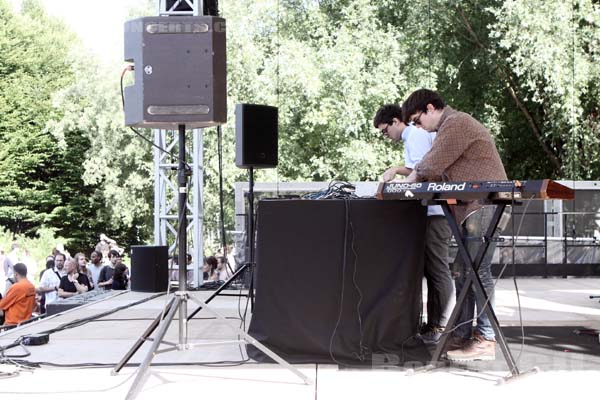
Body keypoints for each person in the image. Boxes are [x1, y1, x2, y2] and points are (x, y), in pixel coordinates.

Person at [402, 89, 508, 361]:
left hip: (482, 207)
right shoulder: (448, 127)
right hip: (472, 208)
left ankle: (486, 338)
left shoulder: (456, 122)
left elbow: (432, 165)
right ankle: (462, 334)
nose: (417, 127)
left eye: (417, 120)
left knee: (477, 270)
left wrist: (407, 183)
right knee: (464, 271)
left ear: (429, 108)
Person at [373, 104, 453, 344]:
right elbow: (416, 168)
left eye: (385, 131)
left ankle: (443, 326)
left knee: (438, 270)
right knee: (432, 270)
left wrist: (400, 186)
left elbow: (421, 174)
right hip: (431, 213)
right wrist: (397, 169)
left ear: (397, 121)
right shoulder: (416, 137)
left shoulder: (415, 136)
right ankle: (435, 325)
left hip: (436, 214)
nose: (385, 137)